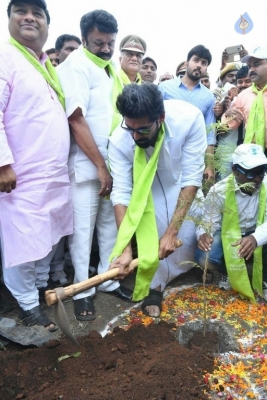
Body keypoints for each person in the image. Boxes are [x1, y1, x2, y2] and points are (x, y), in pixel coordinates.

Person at [1, 0, 73, 331]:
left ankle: (42, 289)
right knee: (23, 243)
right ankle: (28, 304)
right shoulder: (5, 58)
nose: (30, 17)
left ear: (47, 24)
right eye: (21, 11)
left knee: (46, 239)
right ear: (9, 18)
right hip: (20, 176)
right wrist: (3, 164)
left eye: (38, 13)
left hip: (52, 175)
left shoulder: (44, 65)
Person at [108, 83, 207, 318]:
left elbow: (192, 177)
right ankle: (156, 287)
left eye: (142, 130)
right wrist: (124, 247)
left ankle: (184, 274)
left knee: (180, 236)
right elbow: (121, 193)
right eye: (129, 128)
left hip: (180, 180)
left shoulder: (188, 118)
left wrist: (173, 232)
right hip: (145, 187)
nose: (134, 136)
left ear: (160, 118)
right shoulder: (120, 140)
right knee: (151, 233)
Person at [57, 9, 131, 322]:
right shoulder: (76, 65)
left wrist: (111, 167)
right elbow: (76, 118)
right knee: (83, 234)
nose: (105, 48)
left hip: (112, 164)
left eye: (110, 42)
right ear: (85, 38)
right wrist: (100, 166)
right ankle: (83, 291)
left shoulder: (111, 69)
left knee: (109, 229)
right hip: (88, 168)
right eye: (98, 42)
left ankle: (108, 279)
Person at [195, 144, 267, 301]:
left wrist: (256, 238)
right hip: (229, 235)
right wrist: (204, 234)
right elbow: (209, 222)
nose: (257, 178)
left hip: (257, 232)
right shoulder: (218, 192)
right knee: (206, 255)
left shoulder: (265, 184)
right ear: (235, 170)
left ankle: (264, 278)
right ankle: (225, 271)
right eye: (250, 174)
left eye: (261, 171)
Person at [159, 45, 216, 180]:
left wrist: (209, 165)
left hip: (193, 155)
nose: (199, 66)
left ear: (206, 68)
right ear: (186, 63)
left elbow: (210, 133)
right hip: (165, 151)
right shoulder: (165, 88)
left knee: (188, 195)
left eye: (204, 63)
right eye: (196, 60)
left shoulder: (208, 97)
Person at [222, 47, 267, 154]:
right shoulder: (243, 95)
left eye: (256, 64)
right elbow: (226, 127)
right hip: (252, 155)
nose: (251, 70)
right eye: (249, 66)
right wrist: (227, 114)